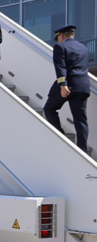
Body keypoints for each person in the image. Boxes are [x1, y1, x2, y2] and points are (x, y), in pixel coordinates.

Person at [44, 24, 91, 153]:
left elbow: (60, 66)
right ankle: (83, 150)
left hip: (68, 84)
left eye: (58, 37)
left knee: (49, 108)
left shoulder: (60, 46)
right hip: (83, 86)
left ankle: (62, 139)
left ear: (61, 35)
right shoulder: (84, 48)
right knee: (80, 119)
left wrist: (62, 84)